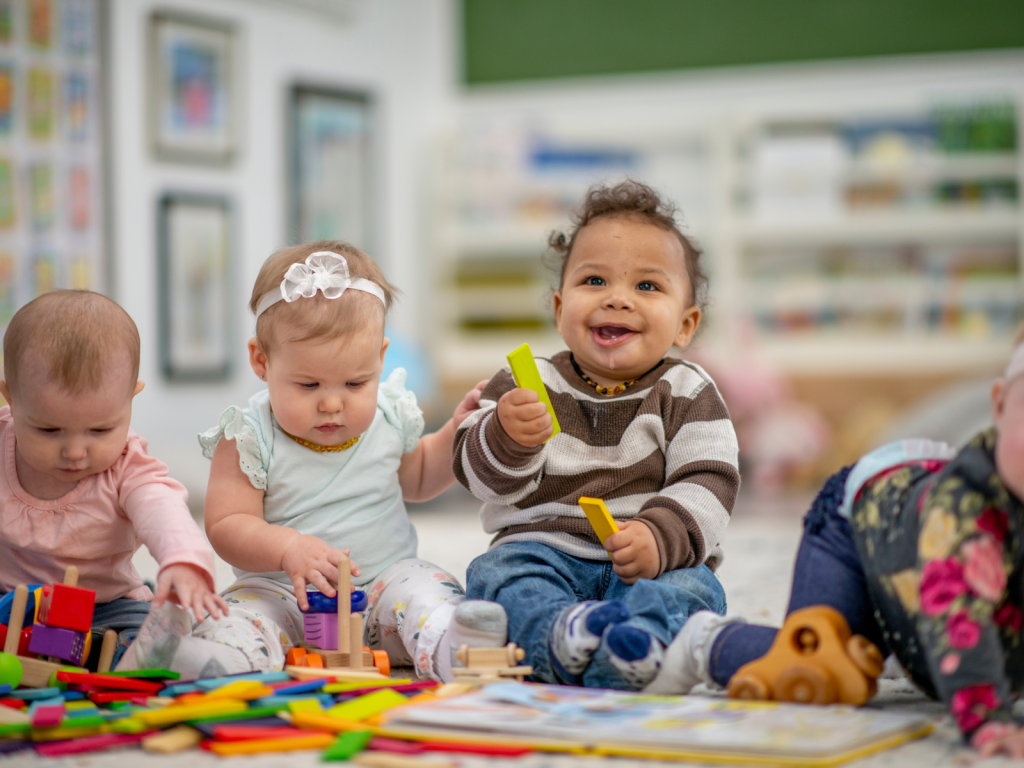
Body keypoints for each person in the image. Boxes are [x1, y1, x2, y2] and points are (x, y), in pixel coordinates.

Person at [656, 328, 1024, 759]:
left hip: (910, 569)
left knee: (885, 649)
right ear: (998, 407)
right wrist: (989, 719)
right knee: (815, 659)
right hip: (856, 528)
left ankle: (890, 636)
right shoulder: (965, 509)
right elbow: (959, 620)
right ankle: (705, 643)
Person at [454, 181, 740, 690]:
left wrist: (660, 537)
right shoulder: (526, 382)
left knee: (696, 588)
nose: (617, 300)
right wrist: (506, 438)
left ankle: (638, 644)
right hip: (543, 549)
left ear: (686, 324)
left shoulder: (688, 391)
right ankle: (558, 636)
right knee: (496, 575)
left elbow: (710, 479)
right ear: (560, 307)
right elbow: (475, 476)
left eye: (647, 287)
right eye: (594, 281)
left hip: (651, 565)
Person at [173, 242, 504, 681]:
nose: (332, 403)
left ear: (381, 359)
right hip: (285, 594)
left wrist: (455, 432)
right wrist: (288, 547)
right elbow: (226, 525)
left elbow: (421, 477)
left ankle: (453, 649)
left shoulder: (388, 415)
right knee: (244, 614)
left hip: (384, 592)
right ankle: (224, 654)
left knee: (428, 587)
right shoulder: (249, 435)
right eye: (308, 385)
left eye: (355, 382)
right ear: (262, 360)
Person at [0, 290, 225, 670]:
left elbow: (161, 509)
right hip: (11, 600)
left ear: (131, 398)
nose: (74, 451)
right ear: (10, 398)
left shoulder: (127, 466)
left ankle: (143, 658)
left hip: (105, 607)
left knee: (146, 635)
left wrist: (182, 560)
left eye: (100, 430)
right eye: (49, 430)